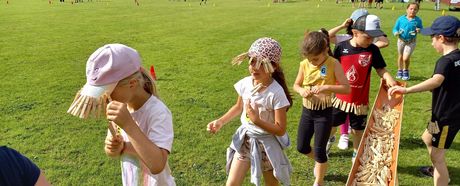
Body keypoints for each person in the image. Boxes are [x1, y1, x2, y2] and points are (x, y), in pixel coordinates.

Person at [70, 44, 175, 185]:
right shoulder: (119, 108)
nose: (105, 97)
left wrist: (128, 125)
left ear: (132, 83)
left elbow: (157, 164)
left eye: (108, 90)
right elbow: (115, 149)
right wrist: (112, 147)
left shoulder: (158, 112)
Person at [207, 37, 293, 186]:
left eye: (261, 63)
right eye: (252, 61)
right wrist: (220, 121)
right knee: (231, 183)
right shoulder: (246, 83)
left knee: (271, 184)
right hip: (246, 140)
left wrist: (257, 120)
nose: (254, 67)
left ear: (274, 66)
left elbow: (280, 129)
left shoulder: (276, 93)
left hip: (267, 145)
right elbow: (238, 107)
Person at [388, 15, 460, 186]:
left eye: (432, 38)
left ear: (441, 38)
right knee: (427, 137)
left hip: (445, 119)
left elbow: (436, 81)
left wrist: (407, 90)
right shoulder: (458, 57)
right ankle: (439, 171)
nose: (431, 42)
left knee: (437, 157)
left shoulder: (445, 61)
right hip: (444, 114)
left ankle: (442, 177)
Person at [331, 14, 397, 163]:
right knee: (332, 124)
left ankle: (356, 152)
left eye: (374, 38)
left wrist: (388, 77)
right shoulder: (341, 47)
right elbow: (333, 69)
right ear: (355, 33)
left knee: (358, 130)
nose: (371, 41)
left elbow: (381, 69)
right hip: (340, 99)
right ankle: (328, 143)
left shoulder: (372, 50)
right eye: (368, 37)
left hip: (359, 100)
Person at [294, 29, 350, 186]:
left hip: (324, 114)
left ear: (326, 50)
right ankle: (322, 162)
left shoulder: (333, 63)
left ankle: (319, 180)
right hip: (307, 112)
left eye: (315, 59)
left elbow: (347, 88)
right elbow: (296, 85)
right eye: (309, 59)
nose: (312, 62)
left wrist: (327, 88)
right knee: (302, 147)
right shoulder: (304, 64)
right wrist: (301, 91)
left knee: (319, 151)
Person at [392, 3, 423, 80]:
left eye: (415, 9)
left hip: (411, 42)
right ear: (407, 9)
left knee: (405, 58)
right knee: (400, 56)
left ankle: (406, 70)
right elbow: (395, 28)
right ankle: (400, 70)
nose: (413, 11)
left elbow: (421, 29)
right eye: (411, 9)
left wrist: (419, 30)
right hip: (401, 40)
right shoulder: (401, 19)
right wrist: (396, 32)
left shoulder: (418, 20)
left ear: (417, 11)